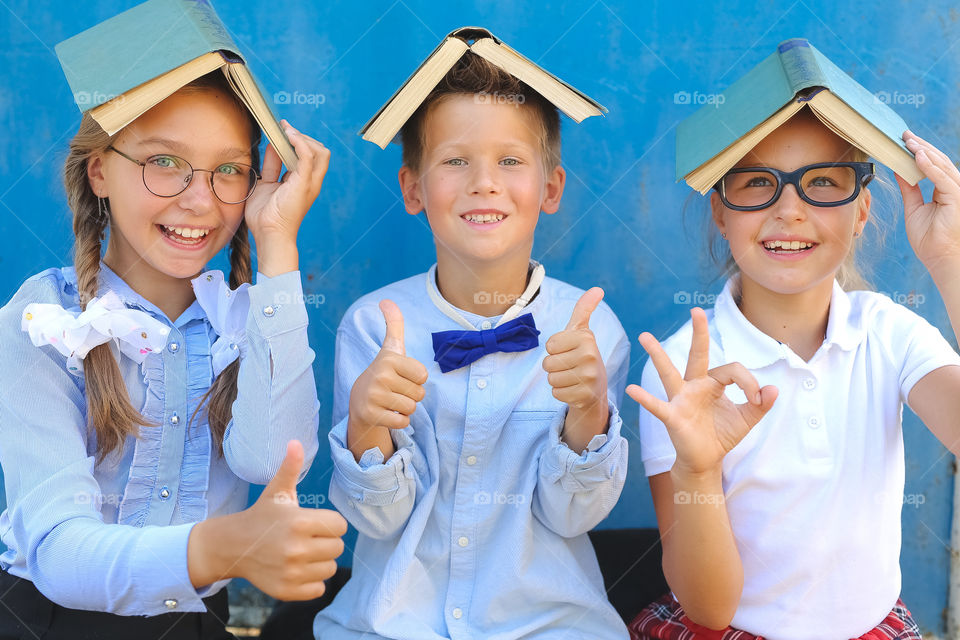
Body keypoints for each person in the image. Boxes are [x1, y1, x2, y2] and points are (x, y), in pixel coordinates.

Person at [0, 69, 347, 639]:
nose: (199, 200)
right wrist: (217, 547)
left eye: (229, 171)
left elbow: (266, 462)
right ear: (99, 170)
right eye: (164, 162)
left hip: (193, 622)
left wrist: (278, 247)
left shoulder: (243, 323)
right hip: (46, 621)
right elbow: (59, 552)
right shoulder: (47, 321)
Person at [314, 50, 631, 639]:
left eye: (510, 161)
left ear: (550, 187)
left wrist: (589, 409)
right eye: (455, 161)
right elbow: (378, 521)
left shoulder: (590, 331)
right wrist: (366, 424)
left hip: (550, 626)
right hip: (393, 626)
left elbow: (574, 513)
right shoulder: (372, 328)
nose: (484, 182)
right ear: (414, 189)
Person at [628, 107, 960, 640]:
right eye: (759, 182)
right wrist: (697, 469)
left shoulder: (889, 333)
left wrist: (949, 259)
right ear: (720, 211)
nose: (789, 210)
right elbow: (710, 608)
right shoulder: (682, 370)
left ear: (862, 211)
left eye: (822, 183)